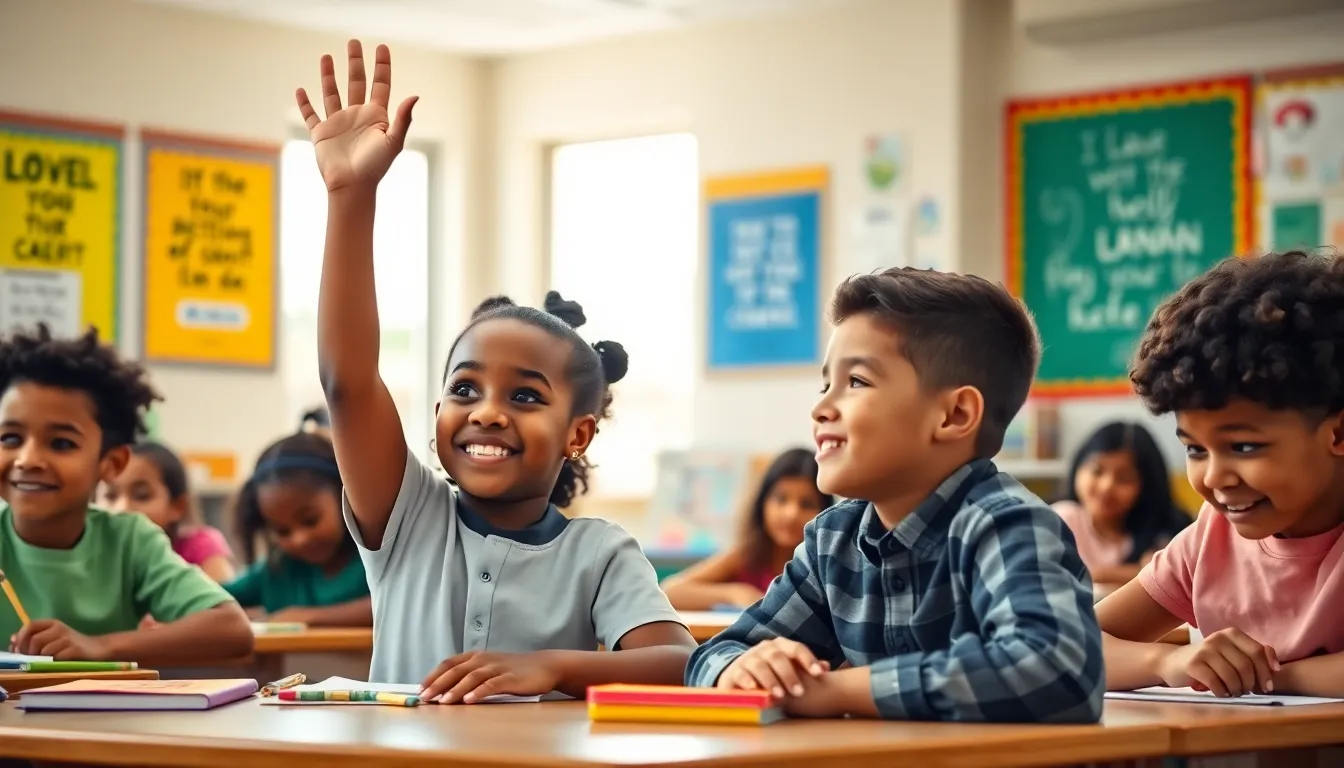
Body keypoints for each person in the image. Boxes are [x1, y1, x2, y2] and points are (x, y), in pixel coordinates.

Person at [299, 39, 695, 702]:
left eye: (525, 396)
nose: (487, 411)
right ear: (437, 414)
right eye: (464, 389)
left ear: (579, 435)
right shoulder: (410, 518)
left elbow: (678, 662)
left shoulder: (598, 553)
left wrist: (552, 666)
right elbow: (347, 381)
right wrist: (350, 195)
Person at [684, 268, 1103, 723]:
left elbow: (1057, 671)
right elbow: (716, 653)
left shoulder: (1005, 524)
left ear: (954, 414)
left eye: (857, 382)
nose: (821, 407)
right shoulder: (832, 541)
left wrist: (840, 689)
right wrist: (741, 668)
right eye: (826, 384)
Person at [1100, 250, 1344, 698]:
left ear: (1338, 432)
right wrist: (1167, 660)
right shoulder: (1209, 541)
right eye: (1194, 449)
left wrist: (1266, 678)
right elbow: (1066, 647)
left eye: (1244, 447)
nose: (1214, 477)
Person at [0, 325, 252, 663]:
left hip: (108, 716)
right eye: (10, 439)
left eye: (61, 443)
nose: (28, 460)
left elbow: (232, 629)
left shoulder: (130, 542)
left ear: (111, 463)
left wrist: (100, 646)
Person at [224, 432, 371, 627]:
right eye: (282, 531)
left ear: (345, 495)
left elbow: (392, 604)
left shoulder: (375, 559)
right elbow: (211, 599)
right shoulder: (277, 570)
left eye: (310, 520)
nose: (299, 539)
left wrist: (309, 617)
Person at [662, 448, 832, 610]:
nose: (791, 514)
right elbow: (670, 591)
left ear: (826, 513)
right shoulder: (744, 556)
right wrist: (735, 593)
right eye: (781, 499)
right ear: (762, 503)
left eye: (807, 504)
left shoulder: (826, 565)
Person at [1053, 422, 1189, 585]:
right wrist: (1139, 571)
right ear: (1078, 467)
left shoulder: (1161, 535)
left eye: (1124, 478)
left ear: (1146, 486)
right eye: (1097, 471)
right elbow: (1059, 575)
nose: (1107, 486)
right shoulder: (1064, 518)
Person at [100, 441, 237, 583]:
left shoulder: (199, 547)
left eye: (142, 495)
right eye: (110, 495)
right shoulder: (90, 554)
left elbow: (230, 598)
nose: (122, 508)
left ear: (177, 506)